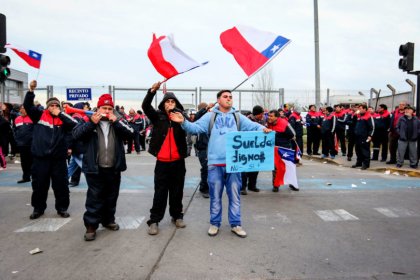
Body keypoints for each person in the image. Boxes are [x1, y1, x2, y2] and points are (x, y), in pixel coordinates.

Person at [171, 89, 271, 238]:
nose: (229, 99)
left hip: (234, 164)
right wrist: (183, 122)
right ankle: (214, 223)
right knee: (215, 196)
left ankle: (236, 224)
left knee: (235, 196)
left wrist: (263, 129)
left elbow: (253, 126)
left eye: (230, 97)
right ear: (218, 100)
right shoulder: (210, 116)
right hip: (214, 164)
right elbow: (195, 128)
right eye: (225, 97)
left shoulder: (238, 117)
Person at [73, 94, 134, 241]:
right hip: (94, 167)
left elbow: (132, 133)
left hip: (113, 167)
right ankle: (91, 225)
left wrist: (117, 122)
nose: (106, 111)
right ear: (98, 108)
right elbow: (75, 134)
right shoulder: (88, 120)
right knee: (95, 196)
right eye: (104, 108)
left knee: (111, 195)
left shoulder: (118, 121)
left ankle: (108, 220)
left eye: (109, 108)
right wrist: (91, 123)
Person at [24, 80, 78, 220]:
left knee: (61, 186)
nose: (54, 107)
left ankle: (62, 208)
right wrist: (31, 91)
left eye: (56, 105)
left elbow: (74, 125)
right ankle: (38, 208)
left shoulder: (63, 118)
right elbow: (27, 106)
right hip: (40, 158)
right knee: (39, 185)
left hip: (58, 159)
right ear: (47, 107)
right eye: (52, 105)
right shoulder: (39, 115)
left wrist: (60, 113)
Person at [142, 82, 189, 236]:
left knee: (177, 191)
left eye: (172, 101)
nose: (170, 103)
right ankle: (154, 220)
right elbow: (145, 106)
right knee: (160, 192)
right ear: (163, 104)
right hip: (162, 162)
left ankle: (177, 216)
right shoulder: (157, 117)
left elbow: (193, 125)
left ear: (177, 104)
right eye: (167, 101)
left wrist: (180, 119)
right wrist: (152, 91)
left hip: (178, 162)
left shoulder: (182, 117)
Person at [266, 109, 296, 192]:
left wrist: (280, 135)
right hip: (274, 148)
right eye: (268, 115)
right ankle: (276, 185)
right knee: (275, 168)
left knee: (289, 167)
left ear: (277, 117)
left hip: (285, 148)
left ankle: (292, 184)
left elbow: (293, 134)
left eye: (271, 116)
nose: (269, 117)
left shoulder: (284, 123)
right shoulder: (268, 123)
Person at [241, 105, 266, 195]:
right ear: (257, 114)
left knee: (255, 167)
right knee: (244, 168)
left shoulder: (262, 121)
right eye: (261, 114)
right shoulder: (246, 120)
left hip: (257, 148)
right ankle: (242, 187)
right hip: (246, 147)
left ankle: (252, 185)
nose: (263, 116)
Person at [194, 102, 214, 198]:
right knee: (206, 168)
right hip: (202, 148)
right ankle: (204, 188)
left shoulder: (210, 119)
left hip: (210, 147)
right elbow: (197, 116)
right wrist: (205, 108)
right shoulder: (199, 119)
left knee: (210, 168)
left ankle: (208, 187)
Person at [14, 105, 34, 183]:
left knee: (33, 161)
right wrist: (16, 140)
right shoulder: (17, 119)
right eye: (21, 108)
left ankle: (35, 176)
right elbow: (15, 130)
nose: (22, 110)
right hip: (22, 144)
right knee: (24, 162)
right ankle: (26, 177)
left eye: (24, 108)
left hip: (32, 144)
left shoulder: (32, 118)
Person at [352, 104, 374, 170]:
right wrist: (354, 115)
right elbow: (353, 122)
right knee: (358, 150)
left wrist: (370, 135)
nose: (359, 110)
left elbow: (372, 127)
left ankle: (366, 164)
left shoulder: (368, 116)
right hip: (357, 136)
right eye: (359, 109)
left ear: (365, 109)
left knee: (365, 150)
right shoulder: (358, 116)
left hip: (364, 136)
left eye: (361, 109)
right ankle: (359, 162)